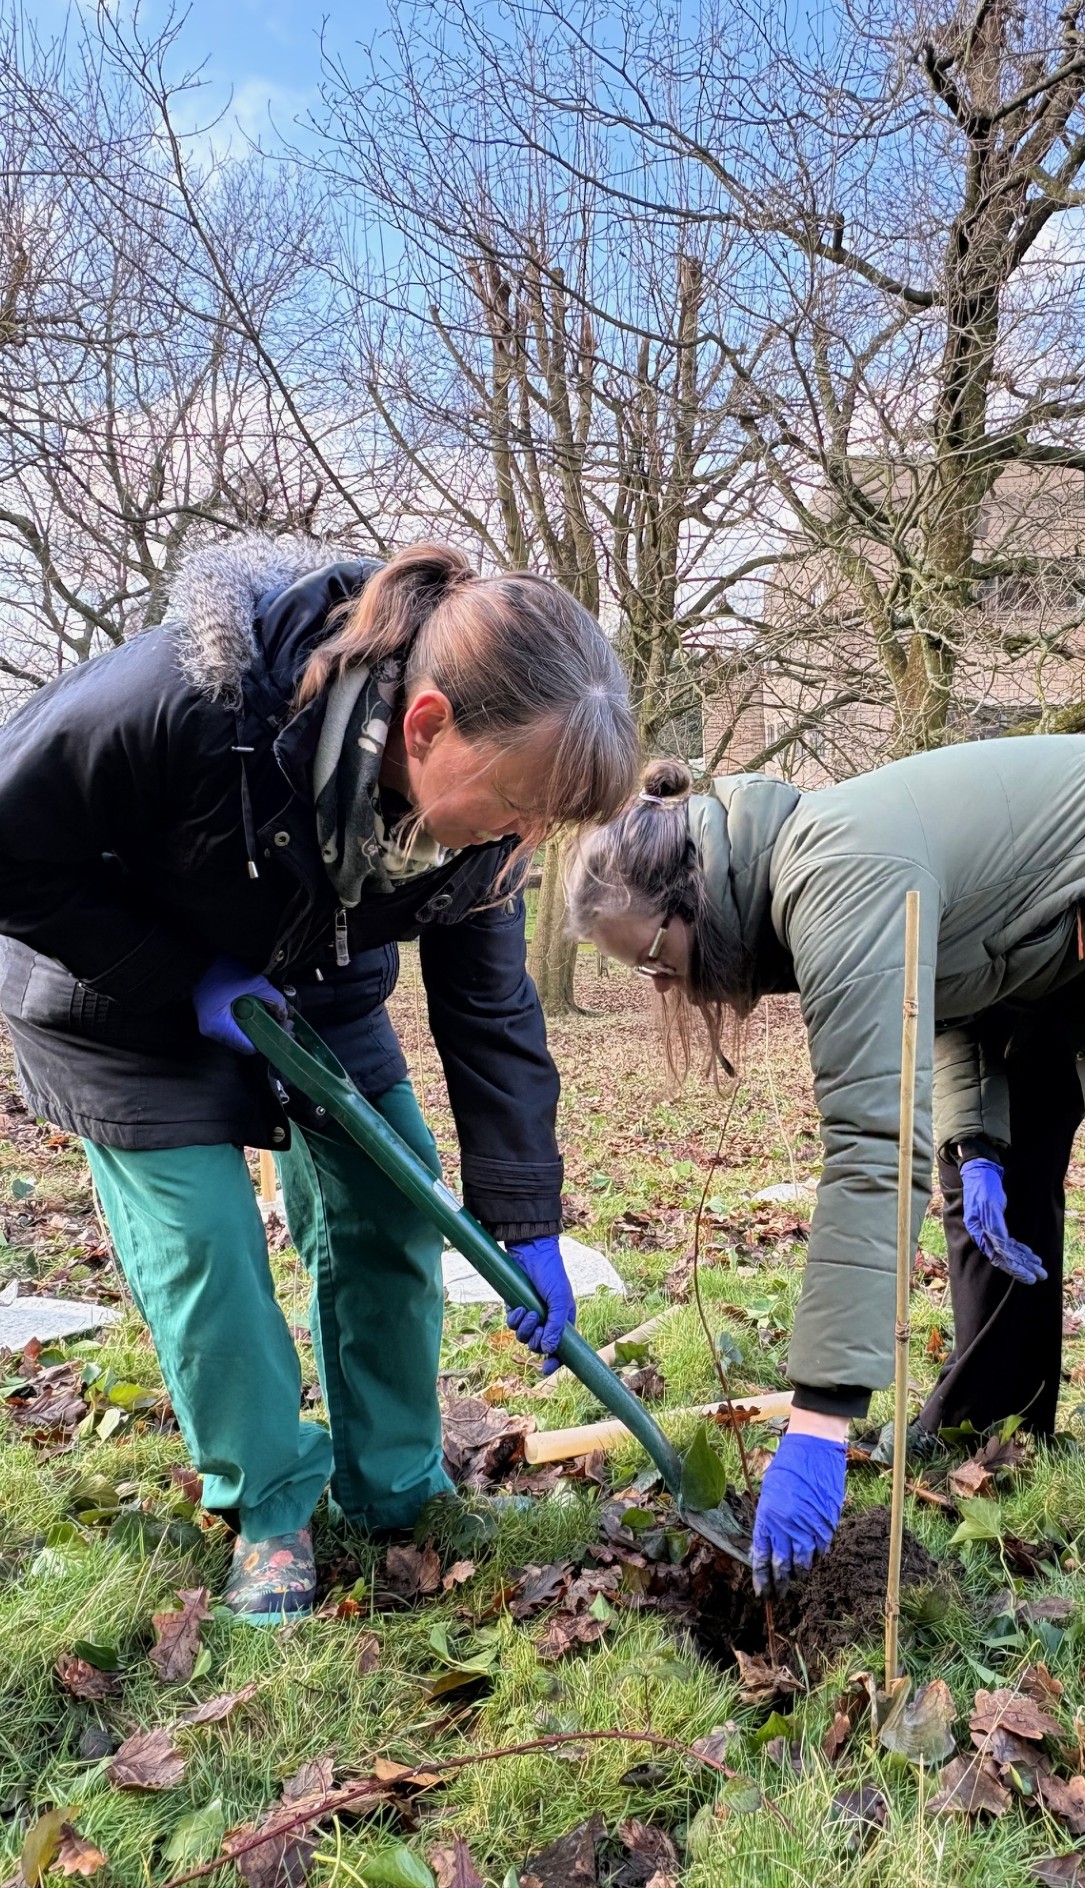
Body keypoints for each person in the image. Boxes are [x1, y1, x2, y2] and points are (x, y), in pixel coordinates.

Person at [0, 537, 636, 1623]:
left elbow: (489, 1012)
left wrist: (524, 1215)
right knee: (206, 1244)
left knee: (395, 1203)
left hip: (312, 984)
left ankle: (396, 1487)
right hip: (119, 1000)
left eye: (545, 823)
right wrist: (182, 975)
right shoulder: (195, 701)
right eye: (518, 806)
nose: (523, 841)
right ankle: (269, 1507)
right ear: (427, 723)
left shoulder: (487, 837)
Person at [568, 739, 1085, 1594]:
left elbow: (872, 1145)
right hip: (1065, 943)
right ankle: (998, 1410)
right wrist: (976, 1148)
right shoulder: (804, 869)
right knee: (992, 1179)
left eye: (649, 959)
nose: (662, 986)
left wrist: (822, 1417)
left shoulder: (834, 873)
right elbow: (951, 987)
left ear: (690, 898)